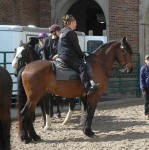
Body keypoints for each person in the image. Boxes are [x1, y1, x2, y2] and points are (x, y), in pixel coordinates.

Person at [58, 14, 99, 95]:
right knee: (82, 67)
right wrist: (83, 55)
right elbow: (76, 48)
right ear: (72, 23)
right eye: (75, 22)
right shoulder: (71, 32)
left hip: (61, 55)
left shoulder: (62, 32)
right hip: (68, 56)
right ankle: (88, 88)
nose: (76, 24)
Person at [140, 54, 149, 119]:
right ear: (145, 60)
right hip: (146, 87)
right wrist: (143, 89)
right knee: (146, 101)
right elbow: (141, 79)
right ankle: (147, 113)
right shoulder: (143, 68)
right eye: (147, 59)